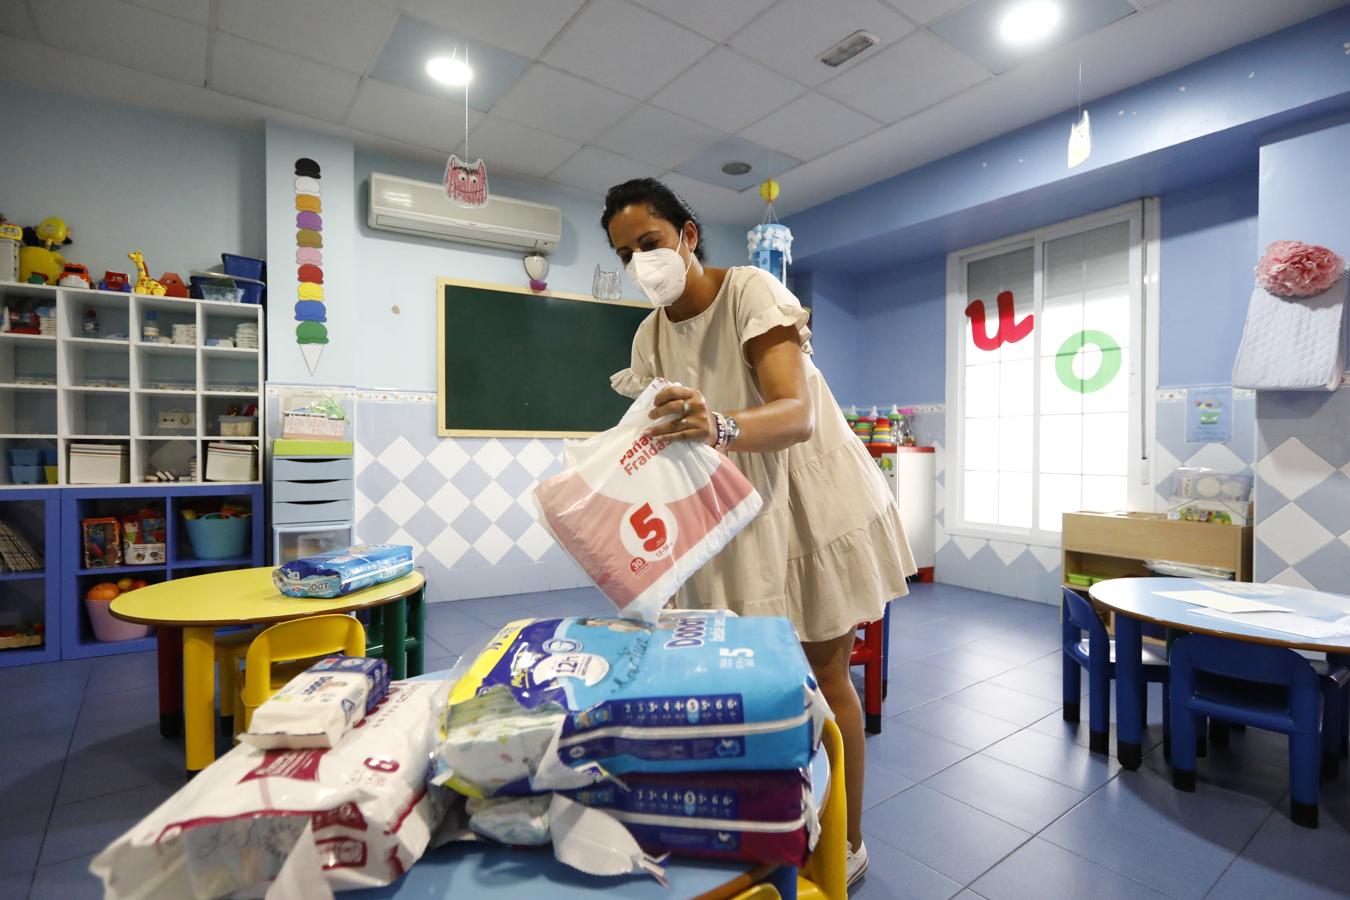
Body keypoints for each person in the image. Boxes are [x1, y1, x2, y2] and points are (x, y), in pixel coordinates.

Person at [602, 178, 916, 886]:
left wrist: (716, 425)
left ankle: (851, 841)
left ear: (686, 234)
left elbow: (795, 414)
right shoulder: (649, 336)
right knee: (741, 679)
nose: (640, 262)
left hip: (809, 504)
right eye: (626, 254)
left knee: (826, 672)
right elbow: (661, 444)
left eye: (649, 242)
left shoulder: (748, 292)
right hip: (734, 513)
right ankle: (762, 822)